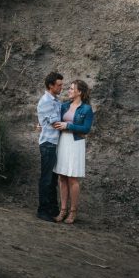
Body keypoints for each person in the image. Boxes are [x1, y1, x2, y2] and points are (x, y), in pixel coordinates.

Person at [53, 79, 93, 224]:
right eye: (69, 88)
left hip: (75, 144)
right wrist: (42, 125)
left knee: (72, 179)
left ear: (79, 92)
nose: (68, 90)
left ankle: (73, 212)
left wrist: (68, 125)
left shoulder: (86, 109)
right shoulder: (64, 106)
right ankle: (62, 210)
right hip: (63, 142)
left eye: (71, 89)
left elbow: (86, 129)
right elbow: (53, 119)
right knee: (62, 177)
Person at [35, 71, 63, 221]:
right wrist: (72, 124)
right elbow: (56, 122)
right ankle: (43, 210)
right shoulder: (46, 101)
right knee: (46, 178)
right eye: (59, 85)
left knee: (52, 178)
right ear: (50, 85)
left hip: (54, 144)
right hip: (48, 144)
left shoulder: (56, 101)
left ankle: (52, 209)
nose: (61, 88)